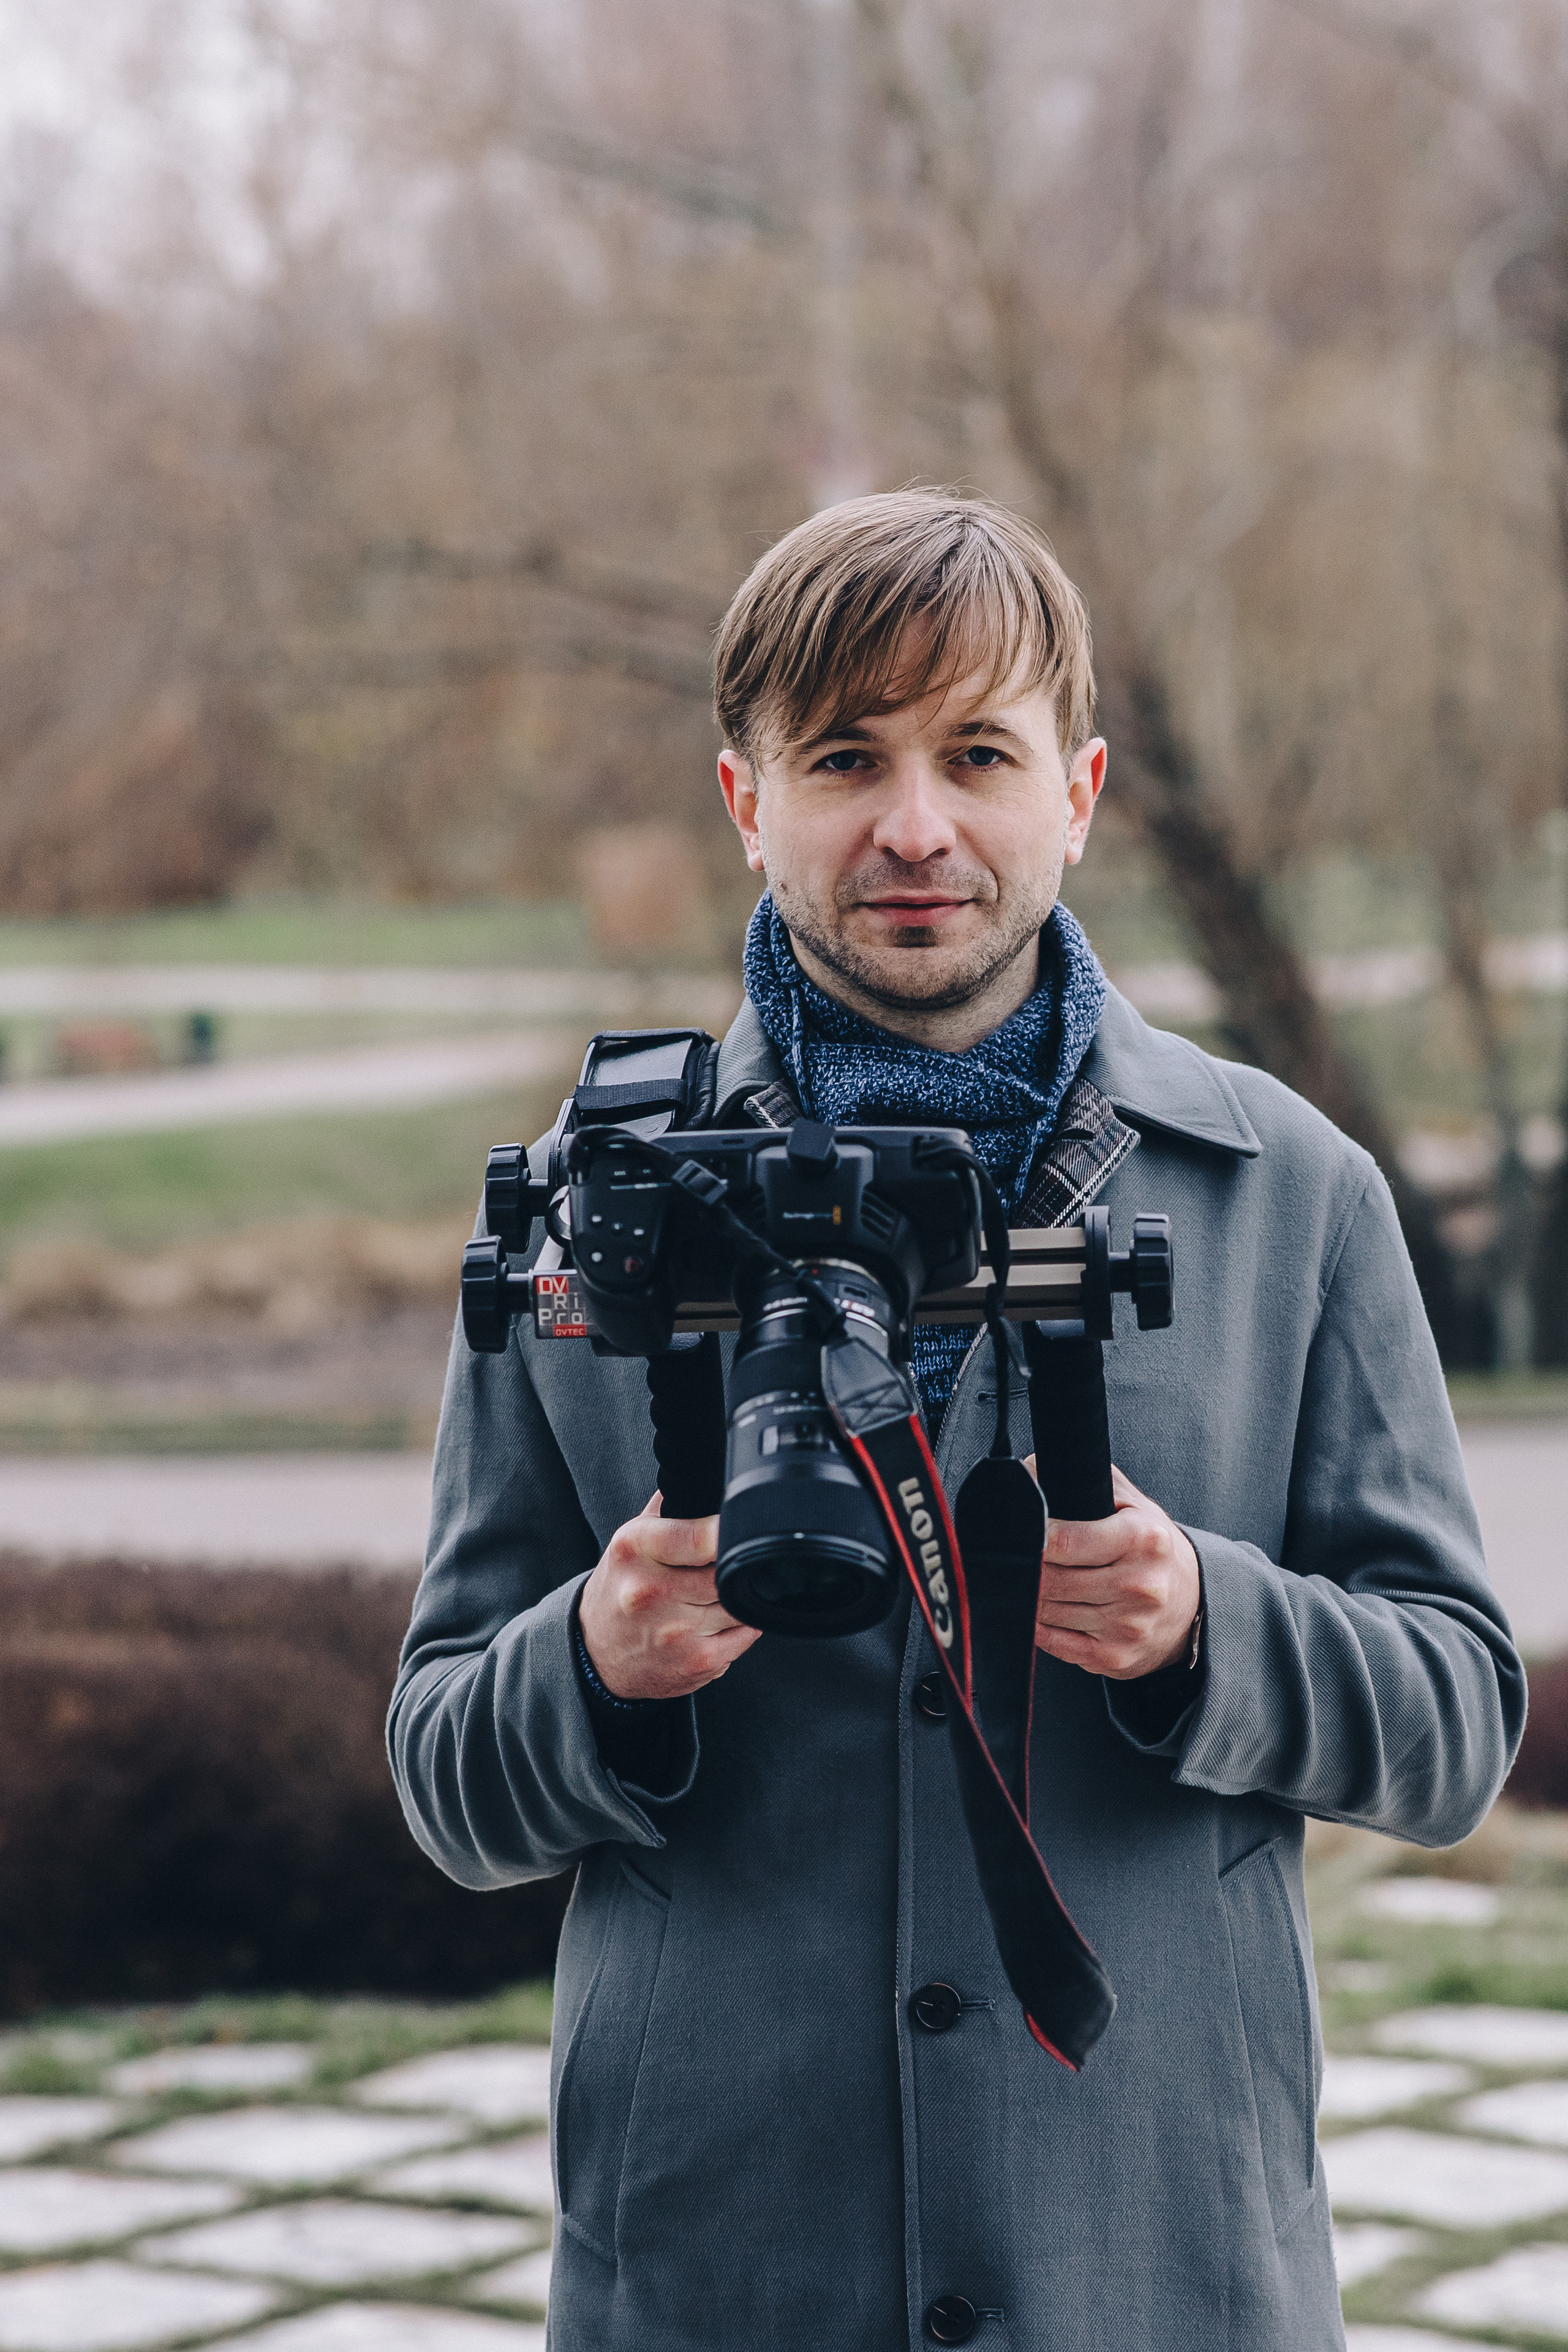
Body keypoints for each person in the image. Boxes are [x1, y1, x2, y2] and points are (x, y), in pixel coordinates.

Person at [389, 490, 1524, 2352]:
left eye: (976, 754)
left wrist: (1212, 1627)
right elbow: (444, 1775)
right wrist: (589, 1665)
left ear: (1074, 792)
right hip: (722, 2261)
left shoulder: (1293, 1195)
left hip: (1159, 2256)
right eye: (846, 757)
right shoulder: (594, 1217)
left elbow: (1457, 1724)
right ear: (750, 803)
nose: (916, 826)